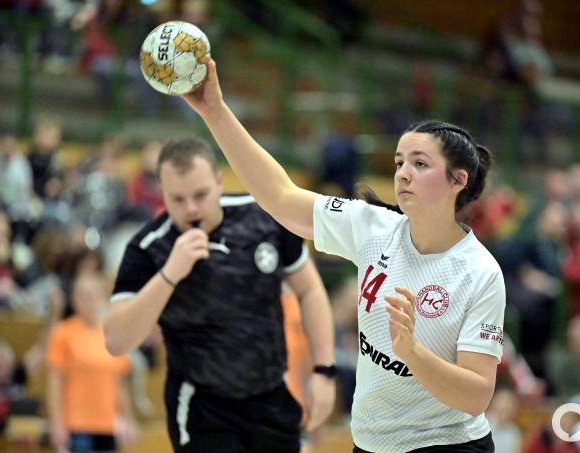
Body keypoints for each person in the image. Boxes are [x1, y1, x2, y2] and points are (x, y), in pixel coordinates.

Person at [181, 58, 505, 452]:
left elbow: (476, 395)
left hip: (447, 445)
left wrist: (413, 353)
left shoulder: (480, 272)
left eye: (420, 164)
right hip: (371, 443)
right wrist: (214, 111)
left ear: (458, 180)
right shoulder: (372, 227)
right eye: (400, 161)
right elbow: (279, 197)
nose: (403, 173)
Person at [103, 139, 336, 453]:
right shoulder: (148, 248)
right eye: (178, 199)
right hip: (201, 408)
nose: (192, 209)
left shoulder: (263, 217)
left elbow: (309, 290)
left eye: (200, 195)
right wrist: (170, 274)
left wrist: (323, 370)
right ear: (162, 194)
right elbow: (116, 340)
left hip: (270, 396)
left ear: (218, 182)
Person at [47, 271, 136, 453]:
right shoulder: (63, 332)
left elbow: (119, 382)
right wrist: (57, 422)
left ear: (102, 297)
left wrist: (128, 418)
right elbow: (55, 381)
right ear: (74, 299)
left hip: (107, 423)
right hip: (76, 423)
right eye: (82, 295)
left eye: (92, 294)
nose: (88, 300)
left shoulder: (112, 334)